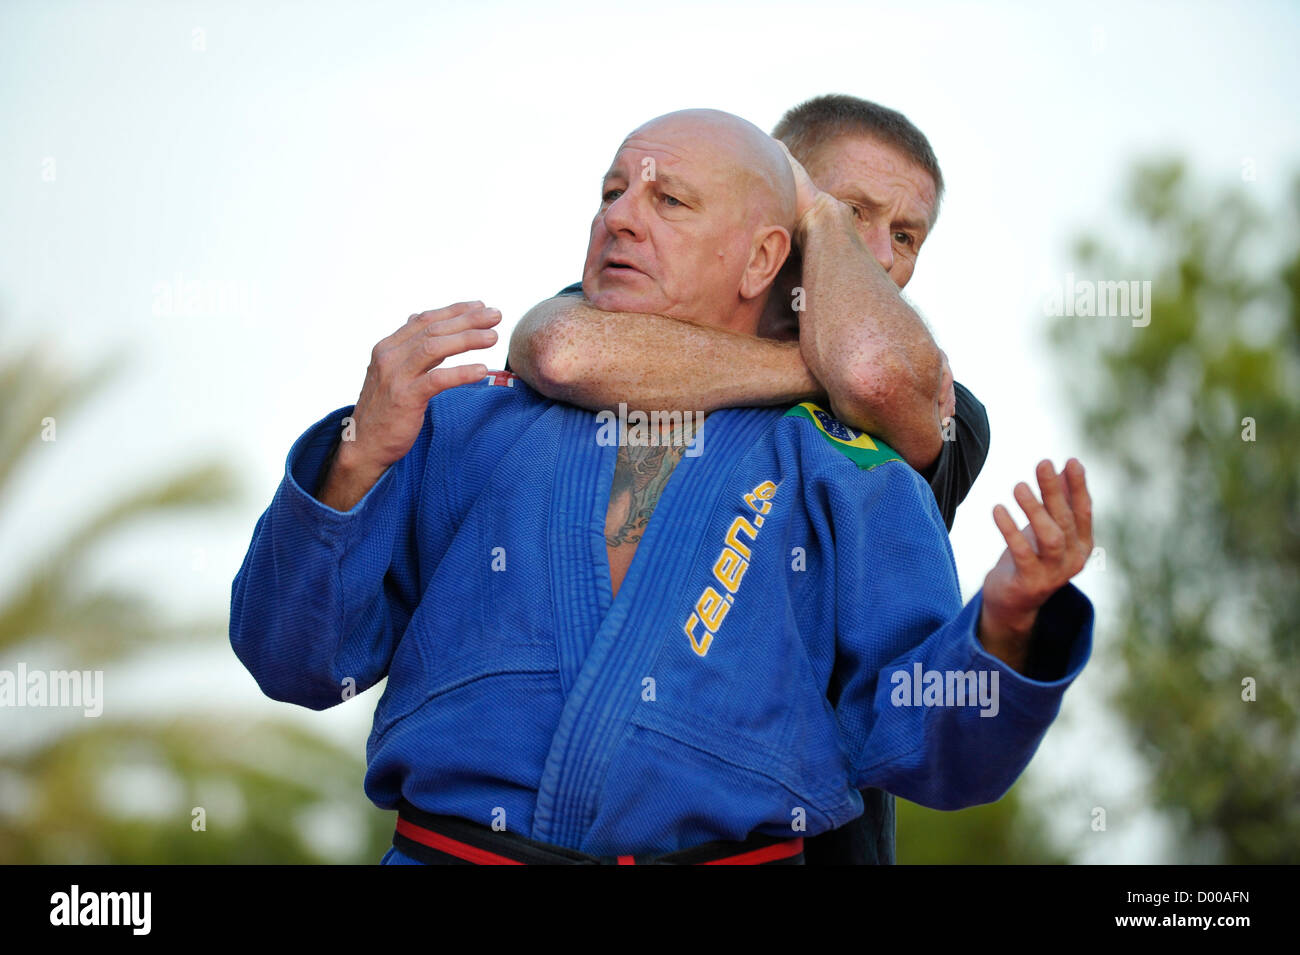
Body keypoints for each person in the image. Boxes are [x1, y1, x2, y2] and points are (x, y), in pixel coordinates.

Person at [229, 108, 1093, 865]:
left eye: (667, 201)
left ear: (766, 254)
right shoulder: (463, 423)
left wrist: (1007, 629)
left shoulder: (862, 460)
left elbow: (930, 740)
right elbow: (294, 661)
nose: (621, 218)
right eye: (611, 193)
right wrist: (352, 464)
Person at [507, 94, 985, 863]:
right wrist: (807, 370)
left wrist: (823, 223)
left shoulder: (941, 406)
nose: (884, 255)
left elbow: (871, 374)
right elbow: (560, 345)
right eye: (847, 209)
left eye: (906, 235)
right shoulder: (635, 304)